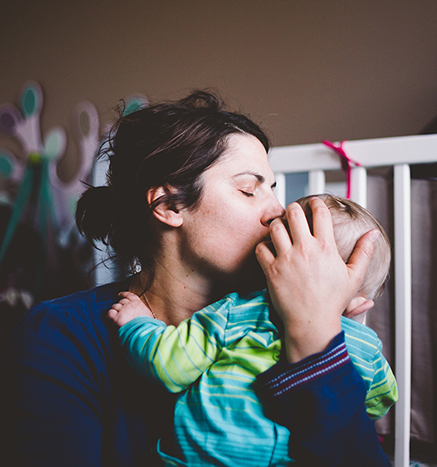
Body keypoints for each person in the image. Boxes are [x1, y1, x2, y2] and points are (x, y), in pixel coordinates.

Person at [0, 91, 392, 466]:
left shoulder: (299, 325)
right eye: (248, 189)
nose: (278, 211)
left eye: (273, 190)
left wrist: (316, 335)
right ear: (169, 205)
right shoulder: (61, 335)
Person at [107, 194, 398, 466]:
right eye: (248, 189)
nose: (272, 212)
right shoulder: (368, 348)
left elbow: (168, 365)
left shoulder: (236, 311)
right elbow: (379, 402)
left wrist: (138, 323)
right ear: (361, 303)